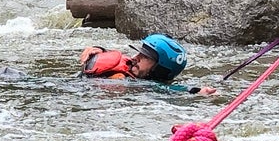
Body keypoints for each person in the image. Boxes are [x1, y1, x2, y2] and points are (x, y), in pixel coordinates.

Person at [79, 35, 217, 93]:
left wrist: (197, 91)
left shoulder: (149, 86)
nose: (136, 58)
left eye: (145, 56)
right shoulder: (127, 67)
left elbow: (171, 89)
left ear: (159, 70)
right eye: (139, 53)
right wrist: (98, 51)